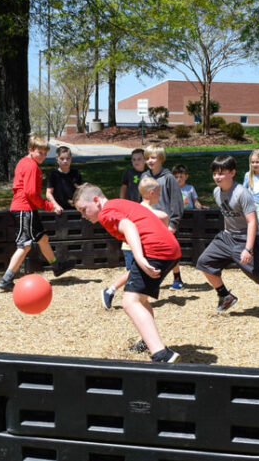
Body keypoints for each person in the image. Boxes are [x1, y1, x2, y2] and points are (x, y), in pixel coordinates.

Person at [74, 183, 182, 363]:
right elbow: (161, 216)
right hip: (171, 250)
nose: (83, 216)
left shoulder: (105, 213)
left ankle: (162, 354)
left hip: (156, 251)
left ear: (96, 201)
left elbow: (128, 225)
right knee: (140, 299)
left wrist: (139, 258)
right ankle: (149, 342)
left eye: (84, 210)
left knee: (129, 301)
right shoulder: (119, 203)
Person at [196, 155, 259, 321]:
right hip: (227, 237)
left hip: (245, 239)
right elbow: (226, 214)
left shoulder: (242, 193)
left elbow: (252, 222)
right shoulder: (216, 192)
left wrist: (248, 248)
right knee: (204, 262)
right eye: (215, 174)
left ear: (232, 173)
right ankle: (225, 296)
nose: (217, 177)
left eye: (221, 173)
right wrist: (225, 233)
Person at [0, 135, 74, 291]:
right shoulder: (32, 166)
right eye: (40, 153)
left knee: (42, 238)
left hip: (27, 208)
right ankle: (6, 279)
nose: (44, 157)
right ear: (31, 150)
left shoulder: (24, 162)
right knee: (24, 246)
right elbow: (31, 193)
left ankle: (56, 266)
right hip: (25, 209)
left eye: (46, 153)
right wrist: (49, 206)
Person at [103, 150, 149, 309]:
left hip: (143, 211)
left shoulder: (148, 174)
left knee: (139, 269)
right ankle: (111, 290)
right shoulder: (129, 173)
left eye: (139, 159)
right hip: (132, 211)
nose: (136, 162)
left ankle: (131, 295)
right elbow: (124, 187)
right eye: (134, 159)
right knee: (136, 269)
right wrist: (122, 202)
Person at [142, 145, 185, 290]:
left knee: (170, 251)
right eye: (147, 158)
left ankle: (177, 278)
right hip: (148, 220)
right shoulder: (144, 177)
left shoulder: (168, 178)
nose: (150, 161)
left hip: (165, 222)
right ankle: (151, 277)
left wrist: (173, 223)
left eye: (153, 158)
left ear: (161, 159)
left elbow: (177, 201)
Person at [46, 146, 83, 214]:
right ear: (57, 160)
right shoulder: (53, 175)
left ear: (71, 159)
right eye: (62, 159)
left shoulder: (76, 173)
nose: (65, 161)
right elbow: (48, 193)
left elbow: (81, 191)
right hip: (59, 210)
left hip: (75, 209)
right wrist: (56, 205)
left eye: (67, 158)